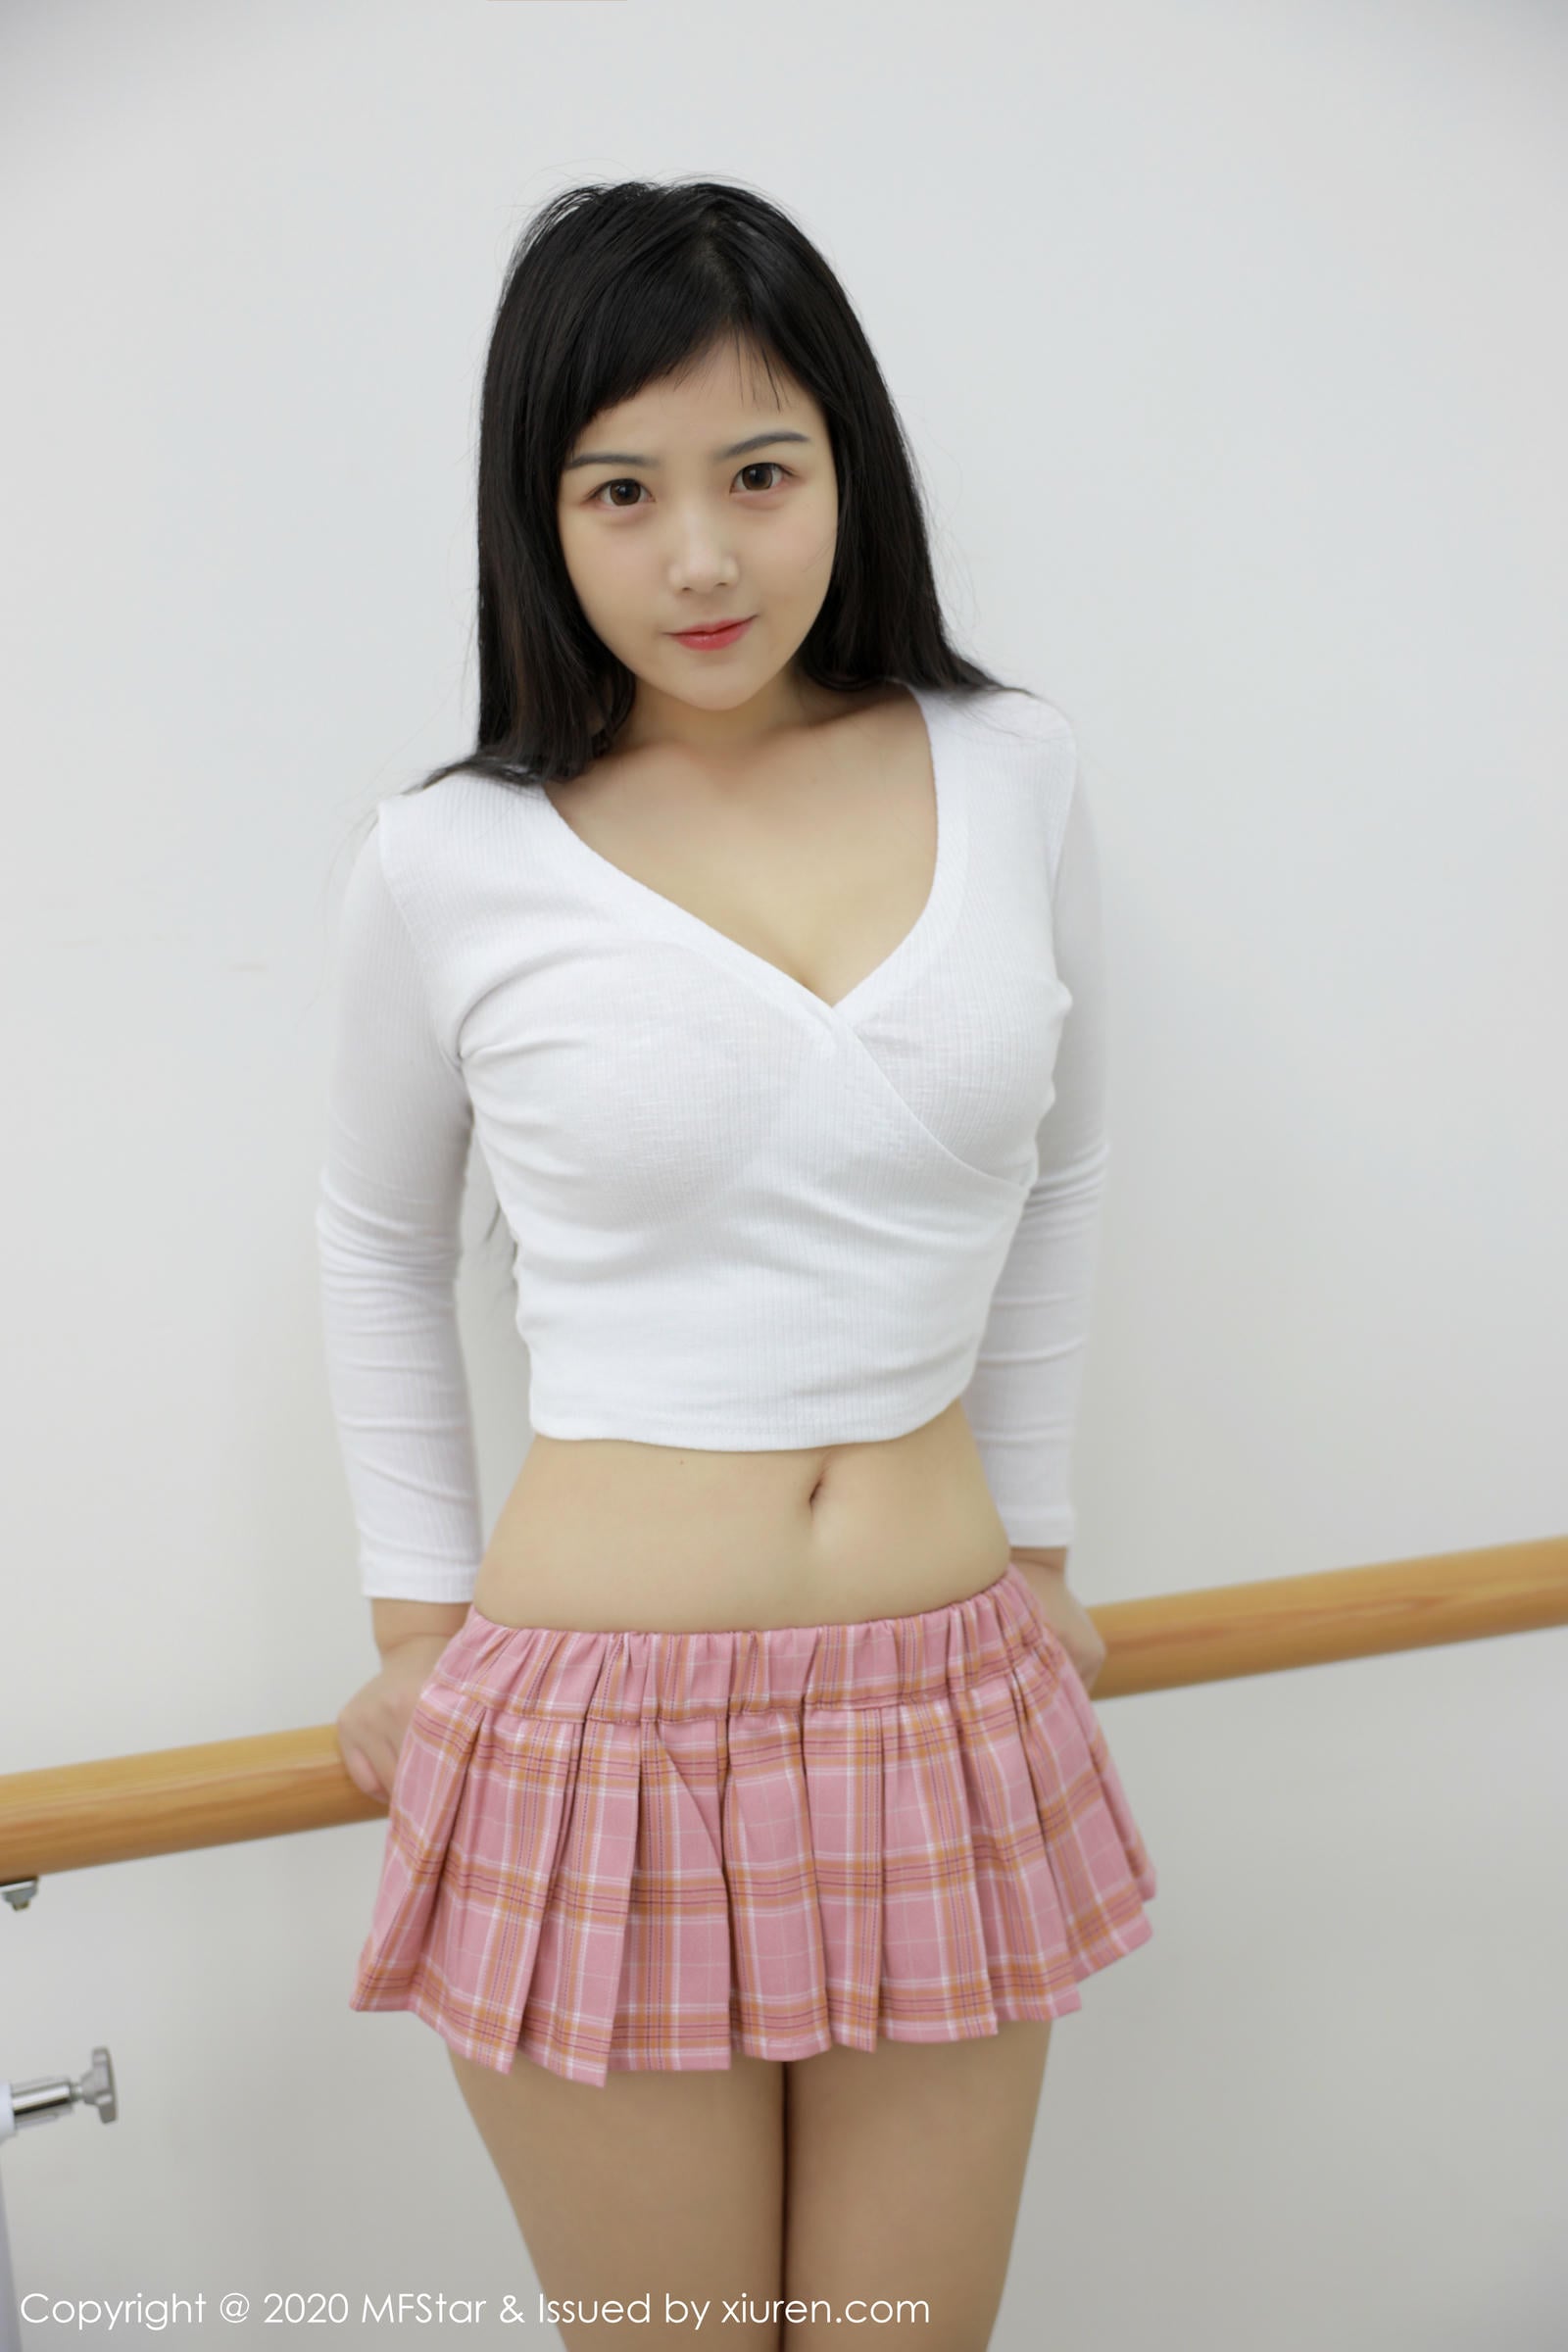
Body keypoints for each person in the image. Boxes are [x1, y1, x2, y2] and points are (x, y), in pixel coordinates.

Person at [318, 176, 1156, 2350]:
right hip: (595, 1739)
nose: (700, 557)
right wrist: (411, 1626)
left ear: (845, 473)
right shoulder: (449, 856)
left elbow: (1064, 1173)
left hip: (950, 1699)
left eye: (758, 474)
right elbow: (377, 1242)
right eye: (622, 491)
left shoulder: (1009, 769)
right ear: (540, 517)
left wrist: (1038, 1542)